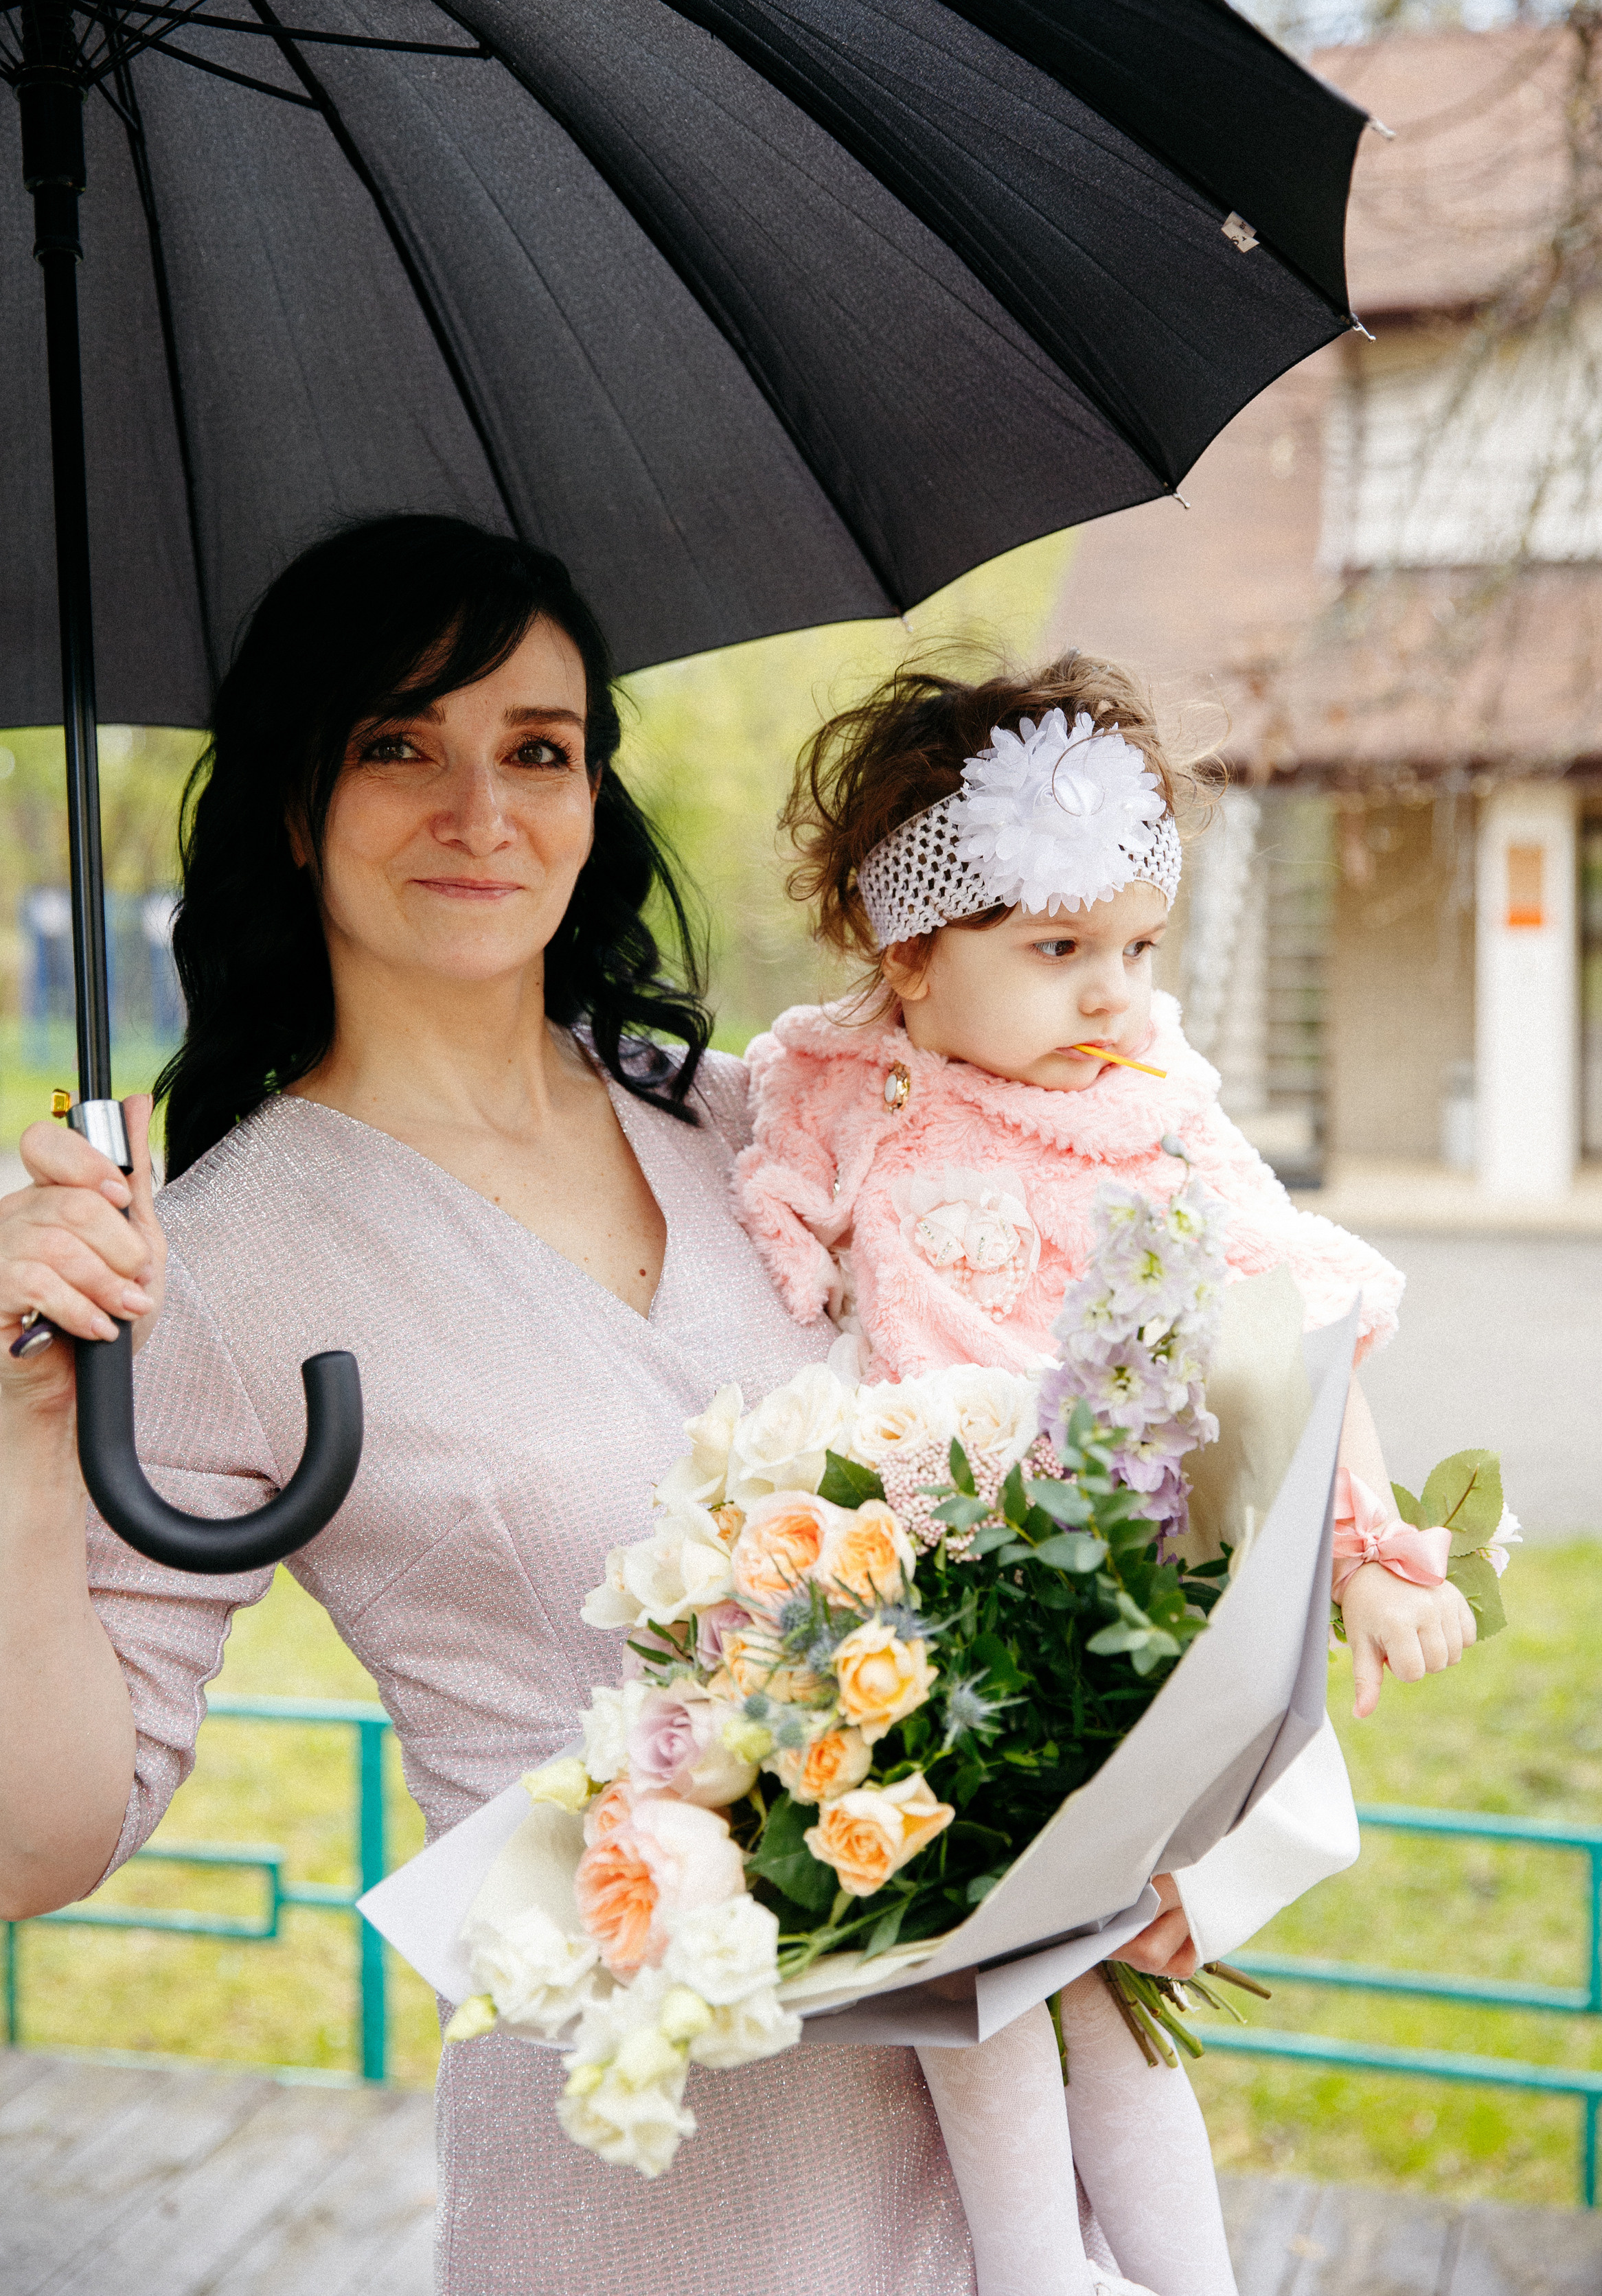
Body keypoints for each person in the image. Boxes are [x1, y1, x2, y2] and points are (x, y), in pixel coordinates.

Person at [0, 526, 1391, 2296]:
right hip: (653, 2189)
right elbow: (43, 1841)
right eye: (398, 743)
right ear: (293, 802)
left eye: (538, 747)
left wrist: (1207, 1845)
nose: (482, 811)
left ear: (595, 794)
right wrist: (21, 1429)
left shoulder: (774, 1126)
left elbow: (1111, 1432)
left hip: (1008, 2157)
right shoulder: (216, 1264)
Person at [733, 651, 1478, 2296]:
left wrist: (1370, 1551)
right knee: (971, 1995)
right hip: (919, 1636)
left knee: (1108, 1985)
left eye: (1137, 947)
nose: (1112, 996)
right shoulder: (836, 1073)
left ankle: (1187, 2276)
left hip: (1105, 1608)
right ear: (907, 955)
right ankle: (1035, 2275)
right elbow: (778, 1171)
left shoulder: (1152, 1124)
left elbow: (1298, 1324)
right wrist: (790, 1230)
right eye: (1058, 949)